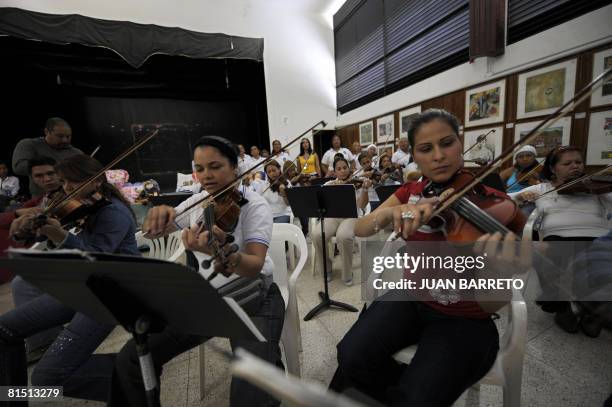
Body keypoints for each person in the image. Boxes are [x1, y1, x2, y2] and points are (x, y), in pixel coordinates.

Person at [330, 109, 525, 406]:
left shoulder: (494, 205)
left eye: (447, 143)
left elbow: (493, 301)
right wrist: (388, 213)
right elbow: (360, 227)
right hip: (411, 297)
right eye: (425, 149)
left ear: (460, 145)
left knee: (416, 397)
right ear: (415, 157)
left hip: (464, 318)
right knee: (350, 354)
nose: (438, 156)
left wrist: (496, 266)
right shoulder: (411, 191)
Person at [108, 136, 285, 406]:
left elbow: (254, 266)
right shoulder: (199, 201)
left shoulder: (254, 205)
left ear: (235, 166)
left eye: (215, 166)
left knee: (251, 390)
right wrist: (159, 216)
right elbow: (154, 230)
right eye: (200, 169)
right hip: (209, 298)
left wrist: (215, 251)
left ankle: (269, 367)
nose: (206, 176)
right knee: (131, 357)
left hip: (254, 298)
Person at [0, 154, 139, 402]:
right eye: (64, 181)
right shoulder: (81, 206)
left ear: (96, 181)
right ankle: (12, 398)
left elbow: (96, 256)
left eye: (73, 181)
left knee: (45, 379)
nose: (66, 188)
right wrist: (26, 230)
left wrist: (62, 236)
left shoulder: (114, 213)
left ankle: (134, 376)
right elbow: (47, 236)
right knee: (3, 329)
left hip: (112, 294)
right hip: (81, 287)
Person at [509, 145, 612, 332]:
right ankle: (562, 305)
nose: (575, 166)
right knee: (545, 252)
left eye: (578, 162)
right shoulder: (542, 188)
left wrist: (602, 190)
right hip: (559, 237)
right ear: (553, 168)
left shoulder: (595, 187)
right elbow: (507, 198)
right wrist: (522, 195)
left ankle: (592, 308)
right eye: (567, 163)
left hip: (599, 236)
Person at [0, 157, 63, 357]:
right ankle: (44, 338)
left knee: (23, 282)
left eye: (51, 173)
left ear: (59, 172)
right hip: (52, 255)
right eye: (40, 176)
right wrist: (19, 214)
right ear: (33, 179)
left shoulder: (74, 194)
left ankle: (44, 340)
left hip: (77, 252)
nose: (47, 179)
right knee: (23, 280)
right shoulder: (39, 202)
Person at [311, 157, 369, 285]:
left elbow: (362, 205)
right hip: (333, 216)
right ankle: (327, 269)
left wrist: (365, 189)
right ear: (334, 172)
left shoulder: (357, 183)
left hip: (351, 216)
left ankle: (347, 273)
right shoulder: (329, 184)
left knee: (344, 236)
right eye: (339, 169)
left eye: (345, 168)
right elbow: (321, 202)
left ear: (349, 169)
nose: (342, 171)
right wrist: (331, 189)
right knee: (317, 234)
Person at [12, 117, 83, 197]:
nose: (65, 140)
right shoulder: (30, 144)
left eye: (68, 136)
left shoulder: (77, 152)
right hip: (42, 198)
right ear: (47, 132)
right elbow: (18, 167)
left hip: (72, 195)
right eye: (60, 136)